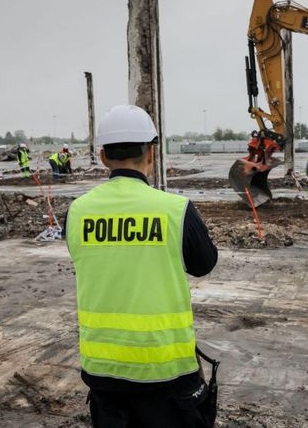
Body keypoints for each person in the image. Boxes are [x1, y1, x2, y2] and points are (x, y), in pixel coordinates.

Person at [65, 105, 218, 427]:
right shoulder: (174, 210)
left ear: (103, 156)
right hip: (165, 368)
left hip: (103, 369)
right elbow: (204, 265)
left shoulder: (77, 212)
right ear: (151, 152)